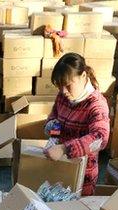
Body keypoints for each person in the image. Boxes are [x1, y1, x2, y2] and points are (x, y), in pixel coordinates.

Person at [43, 53, 110, 196]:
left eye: (68, 85)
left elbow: (100, 138)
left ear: (84, 76)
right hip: (59, 166)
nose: (63, 91)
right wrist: (53, 133)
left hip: (82, 174)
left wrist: (64, 148)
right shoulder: (63, 97)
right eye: (60, 86)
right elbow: (55, 119)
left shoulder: (96, 105)